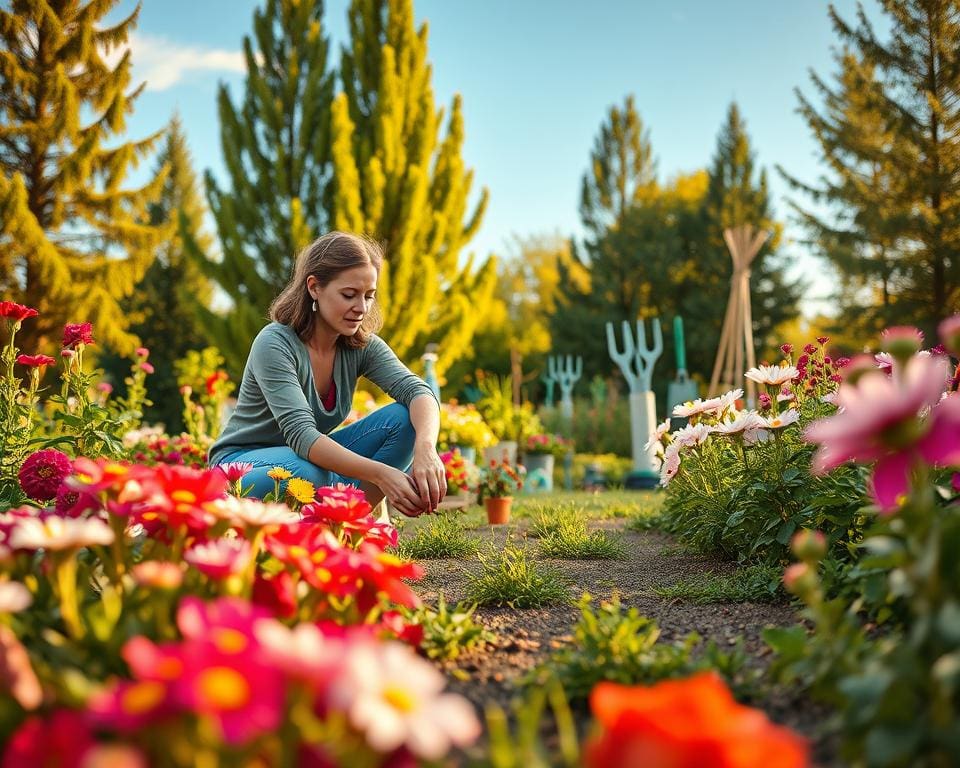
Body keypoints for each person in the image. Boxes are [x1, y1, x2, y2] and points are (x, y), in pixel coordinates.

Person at [208, 231, 445, 517]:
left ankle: (346, 522)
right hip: (241, 468)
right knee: (308, 474)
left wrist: (426, 449)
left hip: (307, 464)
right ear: (314, 287)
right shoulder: (274, 343)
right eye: (349, 295)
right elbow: (303, 437)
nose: (361, 308)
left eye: (369, 296)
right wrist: (382, 474)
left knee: (405, 420)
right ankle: (330, 513)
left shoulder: (361, 345)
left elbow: (418, 391)